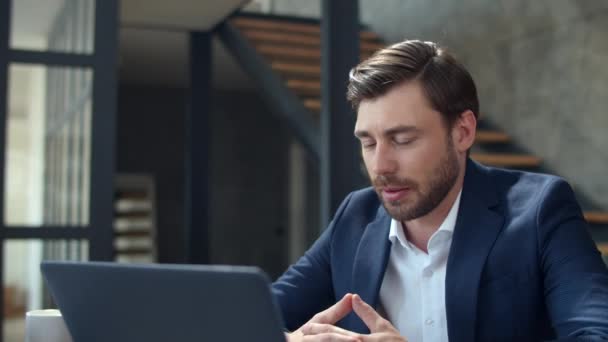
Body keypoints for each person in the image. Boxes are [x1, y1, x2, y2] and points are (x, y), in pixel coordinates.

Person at [272, 39, 608, 342]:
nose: (381, 165)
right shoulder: (356, 217)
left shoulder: (539, 210)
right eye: (368, 143)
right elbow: (247, 320)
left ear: (462, 132)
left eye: (402, 140)